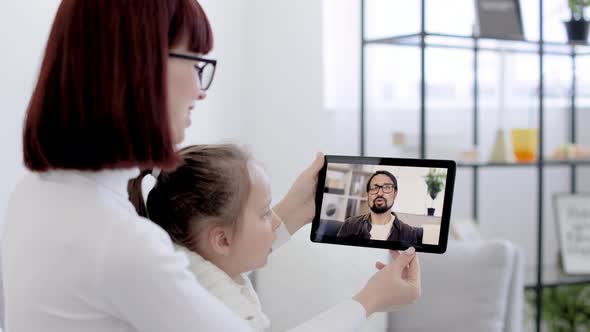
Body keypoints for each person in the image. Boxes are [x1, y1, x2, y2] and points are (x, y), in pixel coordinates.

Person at [1, 1, 421, 331]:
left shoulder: (39, 194)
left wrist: (290, 211)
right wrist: (370, 300)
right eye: (196, 63)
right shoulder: (120, 243)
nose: (200, 92)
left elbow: (196, 272)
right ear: (142, 68)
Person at [337, 170, 423, 243]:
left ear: (395, 194)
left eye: (386, 188)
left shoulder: (409, 233)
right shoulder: (350, 224)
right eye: (374, 188)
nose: (380, 193)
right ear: (368, 194)